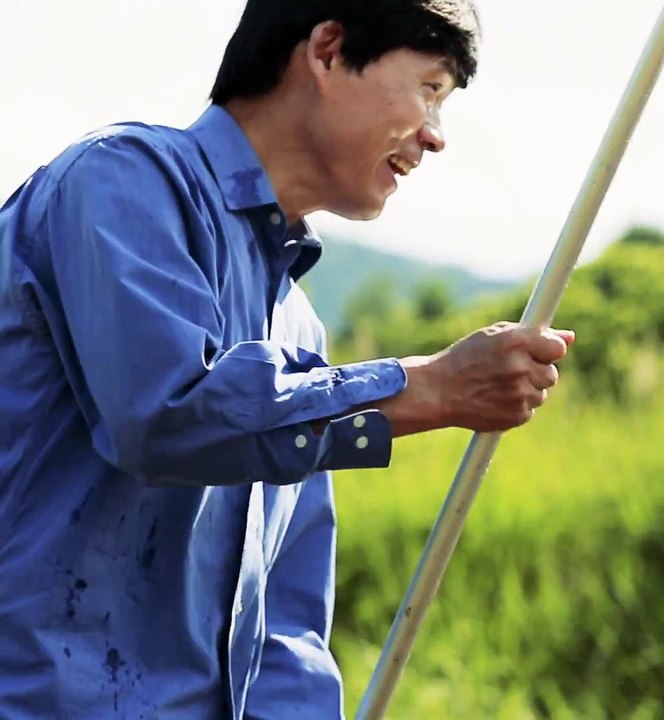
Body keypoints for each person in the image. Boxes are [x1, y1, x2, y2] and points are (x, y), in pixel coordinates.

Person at [0, 1, 575, 717]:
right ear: (328, 50)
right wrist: (425, 388)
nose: (436, 135)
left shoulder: (297, 323)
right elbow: (166, 415)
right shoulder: (121, 179)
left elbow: (282, 622)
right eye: (430, 89)